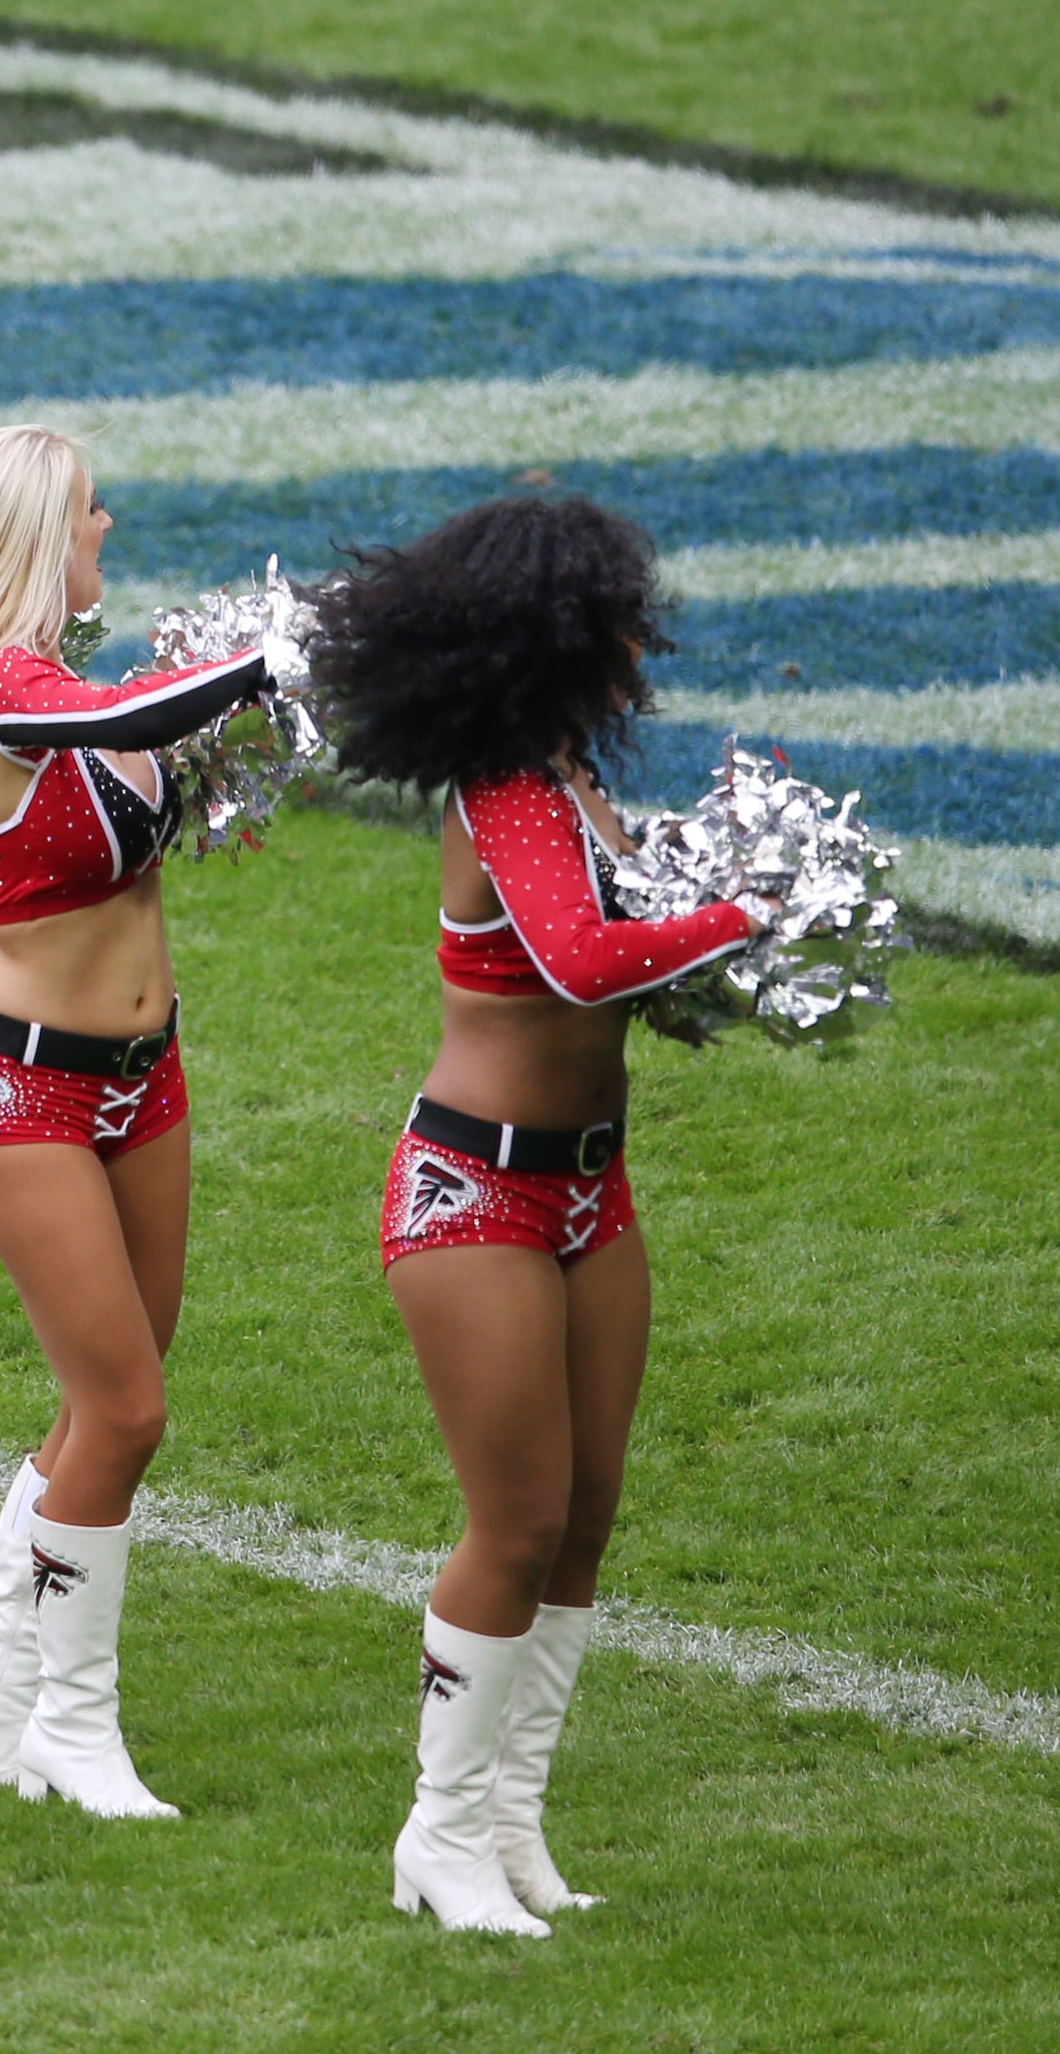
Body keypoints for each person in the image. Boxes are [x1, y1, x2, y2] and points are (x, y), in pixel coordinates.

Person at [309, 496, 759, 1937]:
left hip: (586, 1186)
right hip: (477, 1189)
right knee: (514, 1517)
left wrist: (722, 943)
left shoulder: (567, 779)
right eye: (618, 617)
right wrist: (744, 916)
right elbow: (577, 958)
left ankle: (513, 1823)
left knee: (586, 1514)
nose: (639, 638)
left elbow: (617, 965)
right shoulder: (503, 789)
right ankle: (436, 1835)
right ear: (556, 637)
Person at [0, 426, 269, 1819]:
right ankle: (69, 1732)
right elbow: (105, 729)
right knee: (126, 1405)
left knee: (118, 1392)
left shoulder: (81, 683)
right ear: (40, 534)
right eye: (91, 511)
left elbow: (135, 734)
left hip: (146, 1078)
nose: (109, 525)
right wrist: (268, 651)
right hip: (25, 1088)